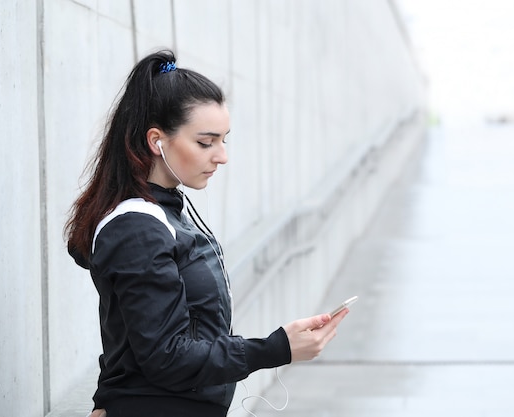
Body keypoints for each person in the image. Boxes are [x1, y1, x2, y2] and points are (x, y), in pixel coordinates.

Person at [65, 49, 349, 417]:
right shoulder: (137, 227)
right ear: (157, 141)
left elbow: (132, 331)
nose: (221, 156)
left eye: (223, 140)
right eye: (205, 142)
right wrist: (277, 348)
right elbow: (165, 355)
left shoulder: (165, 212)